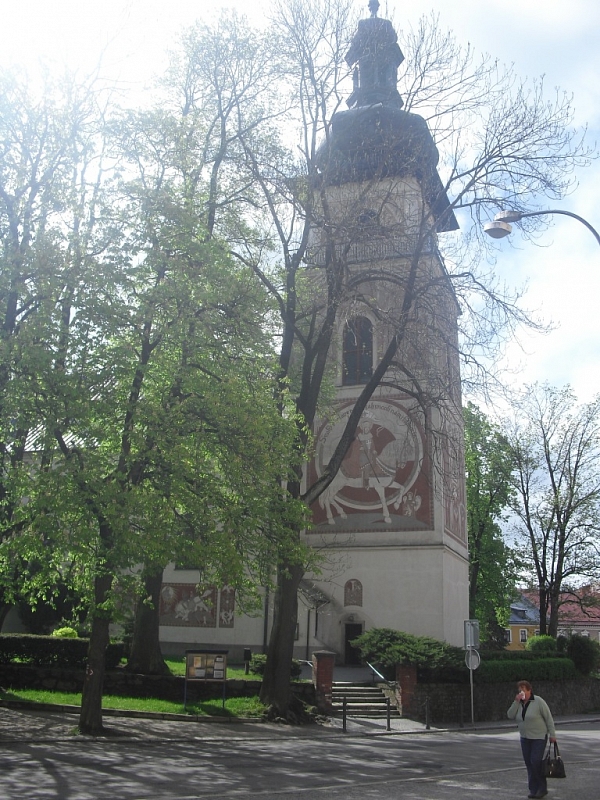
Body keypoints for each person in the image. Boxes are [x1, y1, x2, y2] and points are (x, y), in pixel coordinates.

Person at [507, 680, 557, 799]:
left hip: (538, 737)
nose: (521, 692)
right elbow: (510, 715)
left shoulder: (538, 701)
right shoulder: (519, 703)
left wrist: (552, 734)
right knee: (529, 763)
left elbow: (548, 718)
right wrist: (516, 701)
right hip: (525, 737)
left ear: (529, 690)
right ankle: (533, 789)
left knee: (535, 761)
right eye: (520, 690)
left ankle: (542, 788)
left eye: (524, 689)